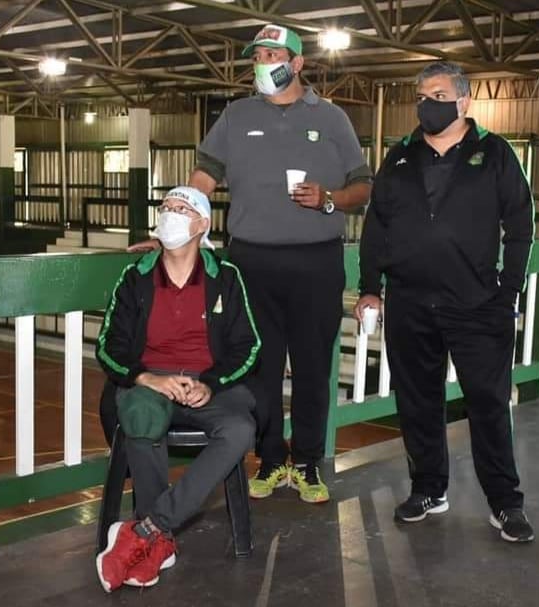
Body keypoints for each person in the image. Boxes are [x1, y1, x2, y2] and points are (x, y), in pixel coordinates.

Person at [173, 24, 371, 503]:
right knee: (258, 367)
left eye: (272, 53)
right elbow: (206, 175)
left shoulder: (332, 118)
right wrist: (177, 215)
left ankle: (307, 463)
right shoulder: (237, 115)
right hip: (251, 262)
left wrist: (329, 201)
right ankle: (269, 460)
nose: (262, 62)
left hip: (316, 261)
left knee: (310, 365)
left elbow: (363, 188)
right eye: (257, 54)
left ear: (298, 63)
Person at [354, 62, 535, 542]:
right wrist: (370, 286)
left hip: (478, 304)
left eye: (436, 93)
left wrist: (508, 290)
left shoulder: (494, 154)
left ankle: (504, 502)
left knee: (489, 403)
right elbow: (376, 229)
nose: (425, 103)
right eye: (420, 94)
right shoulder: (399, 157)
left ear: (463, 102)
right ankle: (428, 488)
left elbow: (520, 226)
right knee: (417, 401)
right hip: (410, 303)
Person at [95, 187, 260, 592]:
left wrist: (212, 383)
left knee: (240, 429)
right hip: (152, 380)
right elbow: (107, 344)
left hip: (209, 383)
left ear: (201, 225)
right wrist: (146, 378)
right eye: (166, 207)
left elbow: (248, 344)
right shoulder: (136, 277)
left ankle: (151, 528)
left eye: (181, 209)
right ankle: (156, 541)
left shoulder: (227, 277)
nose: (170, 213)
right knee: (141, 414)